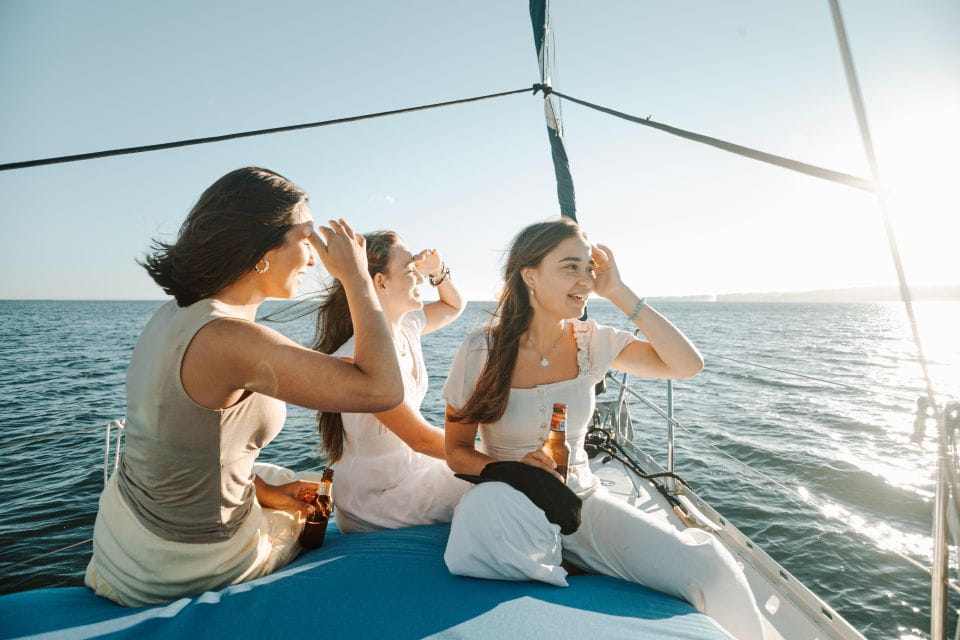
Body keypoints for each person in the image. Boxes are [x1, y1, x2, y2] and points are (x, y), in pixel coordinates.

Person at [85, 167, 404, 607]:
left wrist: (270, 495)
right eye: (307, 241)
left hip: (124, 535)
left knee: (283, 481)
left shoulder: (175, 315)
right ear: (261, 251)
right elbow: (382, 389)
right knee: (327, 509)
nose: (315, 259)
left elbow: (189, 449)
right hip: (182, 563)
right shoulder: (229, 339)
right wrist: (356, 278)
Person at [441, 218, 767, 640]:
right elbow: (457, 451)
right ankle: (555, 561)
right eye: (570, 267)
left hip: (583, 502)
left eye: (588, 268)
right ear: (530, 275)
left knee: (713, 570)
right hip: (508, 501)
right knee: (481, 518)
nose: (585, 279)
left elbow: (687, 365)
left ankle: (565, 556)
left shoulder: (592, 342)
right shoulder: (480, 349)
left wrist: (618, 292)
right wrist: (513, 470)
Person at [314, 231, 470, 532]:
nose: (421, 281)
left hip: (413, 470)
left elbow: (453, 306)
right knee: (502, 487)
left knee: (501, 482)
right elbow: (420, 438)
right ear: (380, 283)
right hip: (377, 498)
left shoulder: (407, 326)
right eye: (411, 271)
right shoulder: (355, 357)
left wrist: (438, 271)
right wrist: (499, 459)